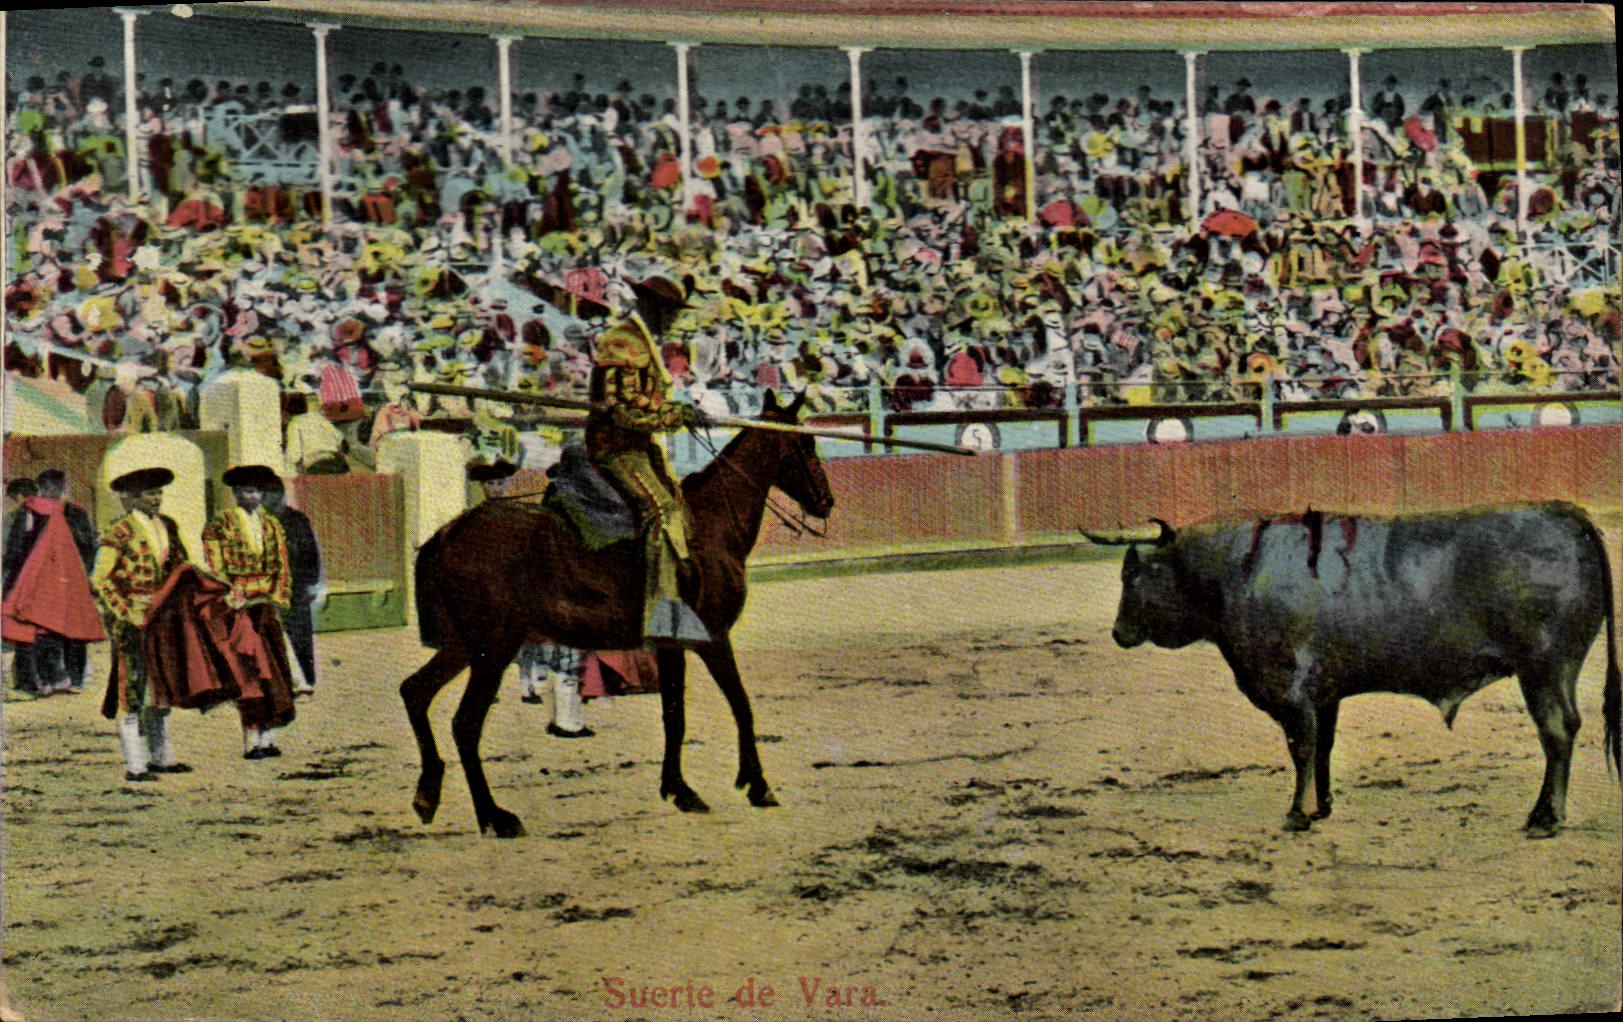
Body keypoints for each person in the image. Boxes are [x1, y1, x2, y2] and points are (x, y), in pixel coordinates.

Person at [586, 273, 710, 644]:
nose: (673, 319)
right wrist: (674, 416)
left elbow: (643, 401)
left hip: (641, 447)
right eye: (669, 311)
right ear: (651, 307)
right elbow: (623, 410)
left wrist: (679, 411)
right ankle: (658, 615)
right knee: (661, 511)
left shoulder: (641, 341)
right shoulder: (622, 341)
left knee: (680, 507)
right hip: (616, 446)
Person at [91, 467, 192, 781]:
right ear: (132, 498)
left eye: (159, 492)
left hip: (163, 619)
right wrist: (125, 612)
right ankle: (135, 765)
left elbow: (182, 568)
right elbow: (101, 579)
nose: (157, 499)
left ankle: (162, 758)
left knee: (160, 687)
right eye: (150, 493)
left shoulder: (168, 526)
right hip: (132, 621)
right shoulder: (119, 531)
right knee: (132, 688)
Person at [202, 465, 298, 759]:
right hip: (239, 607)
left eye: (257, 491)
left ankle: (268, 738)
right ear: (235, 493)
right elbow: (216, 566)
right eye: (246, 491)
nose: (253, 496)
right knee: (249, 674)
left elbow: (281, 563)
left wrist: (277, 594)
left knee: (273, 673)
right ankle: (251, 741)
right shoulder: (221, 524)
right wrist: (232, 595)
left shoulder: (271, 524)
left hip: (265, 606)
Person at [2, 469, 103, 697]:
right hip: (60, 578)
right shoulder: (59, 512)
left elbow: (15, 549)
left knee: (39, 629)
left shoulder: (34, 511)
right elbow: (88, 545)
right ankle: (56, 679)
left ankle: (48, 681)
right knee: (55, 629)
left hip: (44, 579)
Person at [261, 478, 323, 698]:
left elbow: (310, 552)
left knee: (300, 633)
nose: (267, 499)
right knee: (275, 635)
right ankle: (283, 683)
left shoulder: (297, 520)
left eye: (272, 494)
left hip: (297, 584)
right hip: (272, 586)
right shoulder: (260, 521)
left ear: (280, 494)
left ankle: (307, 680)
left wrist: (311, 583)